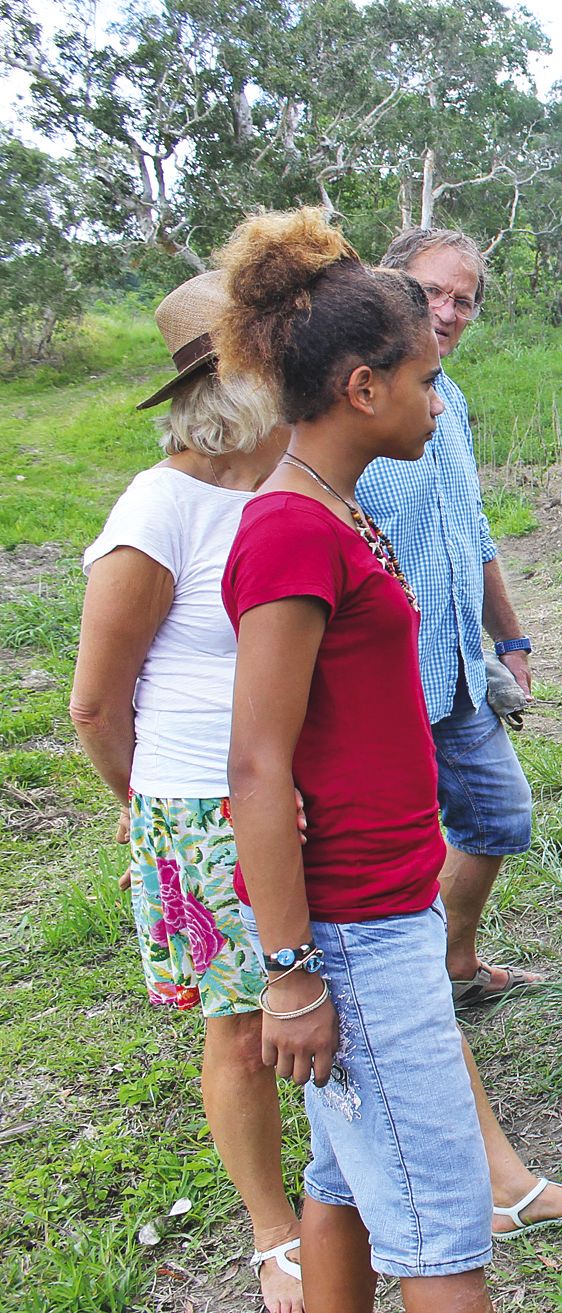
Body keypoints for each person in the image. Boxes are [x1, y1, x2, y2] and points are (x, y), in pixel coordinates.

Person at [213, 209, 562, 1313]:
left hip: (377, 909)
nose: (438, 403)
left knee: (344, 1182)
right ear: (362, 388)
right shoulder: (294, 532)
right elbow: (255, 766)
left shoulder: (334, 513)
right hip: (353, 933)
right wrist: (294, 972)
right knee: (445, 1232)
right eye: (424, 381)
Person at [69, 273, 302, 1312]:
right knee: (244, 1027)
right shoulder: (160, 505)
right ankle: (274, 1229)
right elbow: (94, 701)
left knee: (320, 1001)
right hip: (204, 808)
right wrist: (144, 799)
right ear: (240, 378)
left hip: (297, 791)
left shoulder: (286, 484)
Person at [355, 226, 537, 1007]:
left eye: (462, 299)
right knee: (386, 854)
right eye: (432, 291)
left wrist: (512, 637)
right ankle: (398, 997)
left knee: (499, 814)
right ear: (387, 290)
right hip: (376, 681)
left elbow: (472, 529)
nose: (448, 310)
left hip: (457, 665)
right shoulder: (354, 400)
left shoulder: (450, 400)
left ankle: (453, 963)